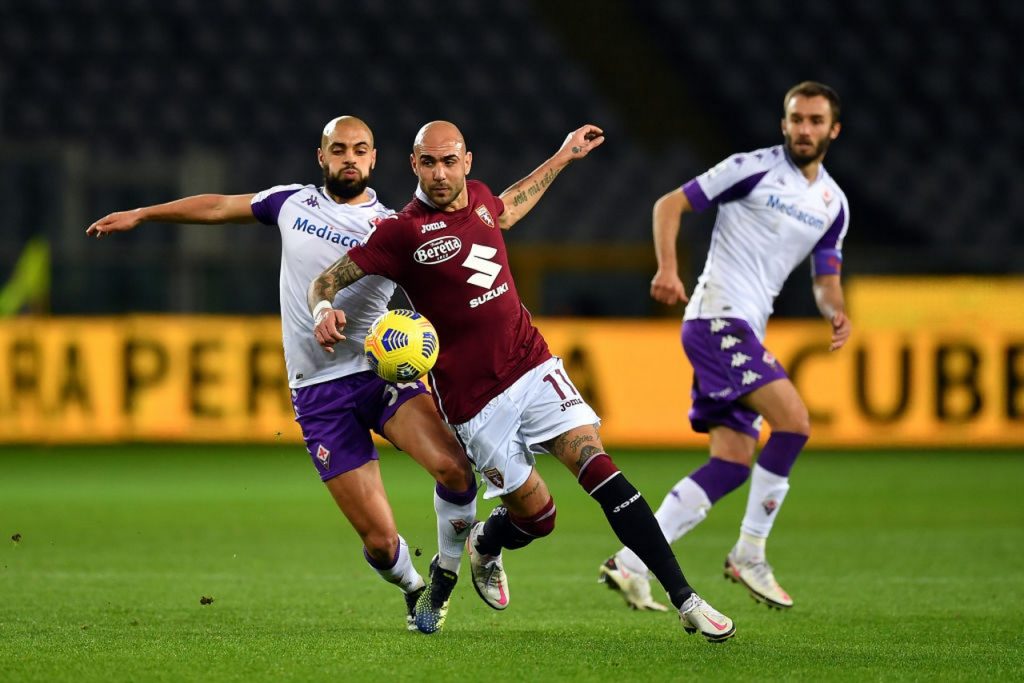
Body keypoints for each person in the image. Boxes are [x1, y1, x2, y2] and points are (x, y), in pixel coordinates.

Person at [308, 121, 736, 643]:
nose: (440, 174)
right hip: (474, 404)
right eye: (428, 162)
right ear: (413, 165)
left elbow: (508, 205)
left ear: (468, 161)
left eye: (449, 161)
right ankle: (487, 542)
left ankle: (685, 598)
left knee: (600, 468)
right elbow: (326, 279)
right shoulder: (401, 232)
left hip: (532, 367)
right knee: (540, 519)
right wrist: (325, 308)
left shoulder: (483, 200)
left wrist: (562, 156)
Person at [85, 116, 478, 634]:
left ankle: (448, 571)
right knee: (381, 546)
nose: (349, 159)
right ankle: (411, 588)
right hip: (317, 394)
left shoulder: (393, 226)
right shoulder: (290, 202)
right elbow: (219, 206)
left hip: (378, 372)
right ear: (322, 157)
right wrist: (144, 213)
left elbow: (451, 276)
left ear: (375, 158)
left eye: (360, 150)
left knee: (455, 471)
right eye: (338, 150)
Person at [599, 81, 851, 611]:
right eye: (796, 119)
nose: (804, 129)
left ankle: (630, 562)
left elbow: (825, 278)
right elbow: (669, 205)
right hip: (719, 319)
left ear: (833, 129)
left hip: (741, 329)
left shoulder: (834, 204)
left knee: (733, 462)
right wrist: (668, 269)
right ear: (783, 123)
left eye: (814, 120)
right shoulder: (751, 167)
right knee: (795, 422)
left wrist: (836, 311)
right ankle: (750, 552)